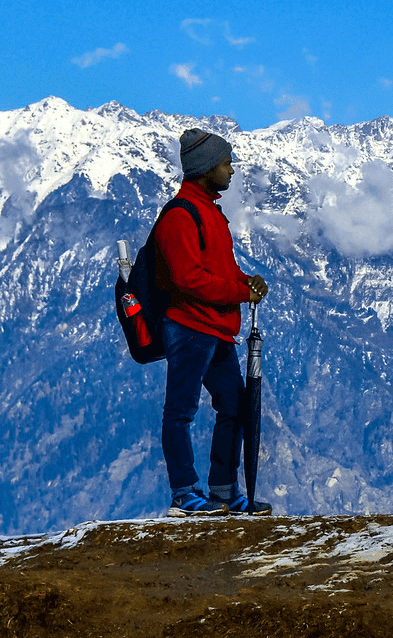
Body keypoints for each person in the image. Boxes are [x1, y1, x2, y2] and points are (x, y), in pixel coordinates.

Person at [155, 128, 272, 516]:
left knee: (234, 407)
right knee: (181, 411)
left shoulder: (210, 212)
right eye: (226, 163)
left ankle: (222, 490)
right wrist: (241, 292)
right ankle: (185, 493)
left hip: (216, 329)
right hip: (189, 327)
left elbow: (221, 270)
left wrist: (246, 281)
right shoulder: (180, 215)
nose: (232, 170)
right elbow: (187, 279)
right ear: (206, 168)